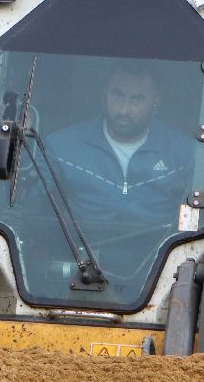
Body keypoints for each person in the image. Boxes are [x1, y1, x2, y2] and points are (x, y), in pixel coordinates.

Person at [41, 61, 195, 275]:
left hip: (161, 271)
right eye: (117, 95)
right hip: (78, 270)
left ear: (155, 103)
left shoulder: (184, 154)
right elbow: (34, 211)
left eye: (136, 99)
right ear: (104, 95)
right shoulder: (60, 148)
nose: (124, 109)